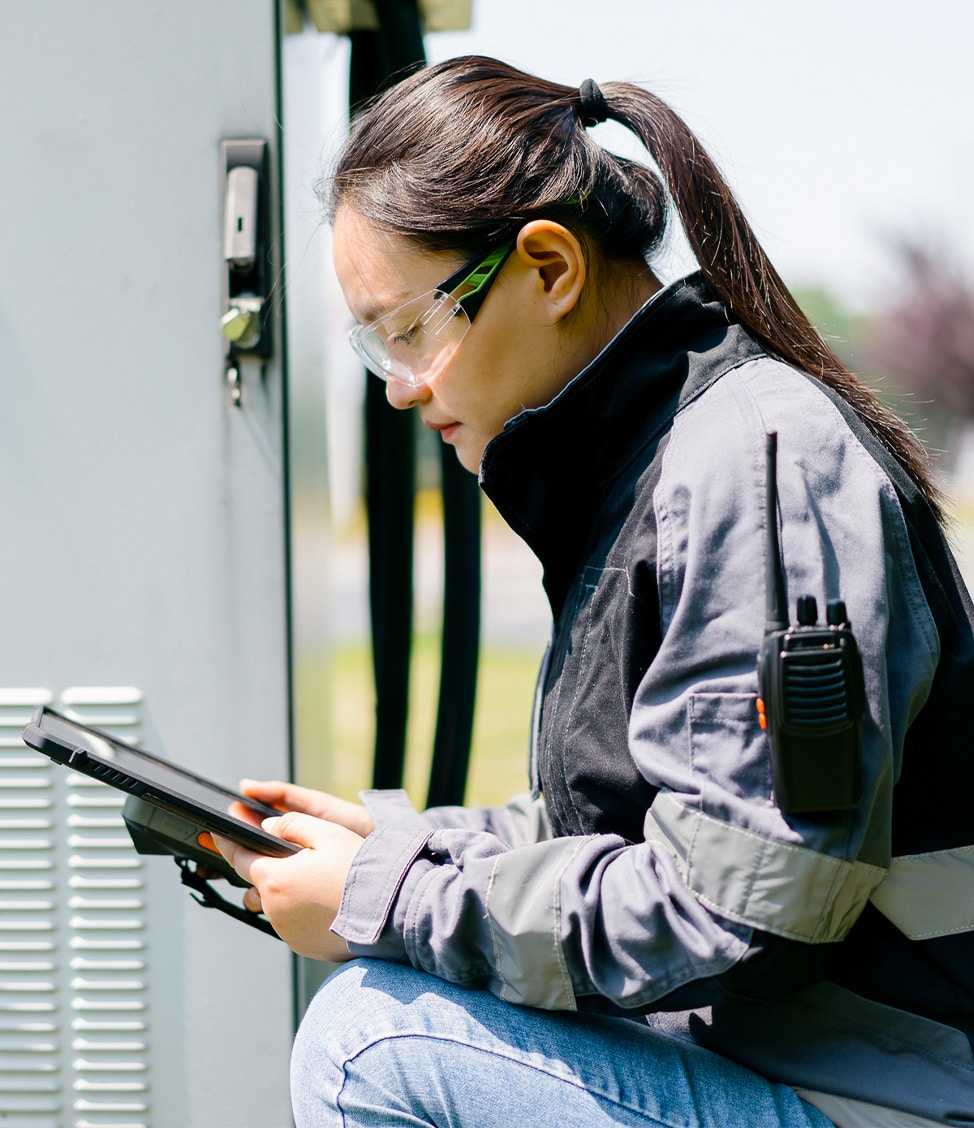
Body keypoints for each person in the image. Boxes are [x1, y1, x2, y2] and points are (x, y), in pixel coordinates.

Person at [214, 56, 974, 1126]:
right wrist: (399, 847)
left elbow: (735, 907)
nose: (397, 387)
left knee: (371, 1041)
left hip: (880, 1092)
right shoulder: (655, 462)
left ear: (549, 267)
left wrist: (383, 899)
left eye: (407, 331)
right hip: (787, 1056)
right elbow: (631, 825)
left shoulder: (751, 460)